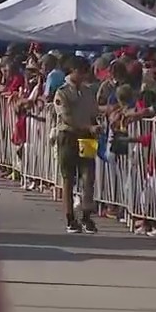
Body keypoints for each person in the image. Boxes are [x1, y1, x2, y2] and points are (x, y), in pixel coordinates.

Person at [51, 57, 101, 234]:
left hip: (87, 137)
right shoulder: (62, 92)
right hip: (68, 136)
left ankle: (87, 215)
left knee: (88, 177)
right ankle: (70, 217)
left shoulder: (87, 92)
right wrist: (87, 126)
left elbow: (94, 111)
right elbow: (66, 117)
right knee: (68, 178)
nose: (82, 75)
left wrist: (97, 123)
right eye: (80, 71)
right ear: (72, 70)